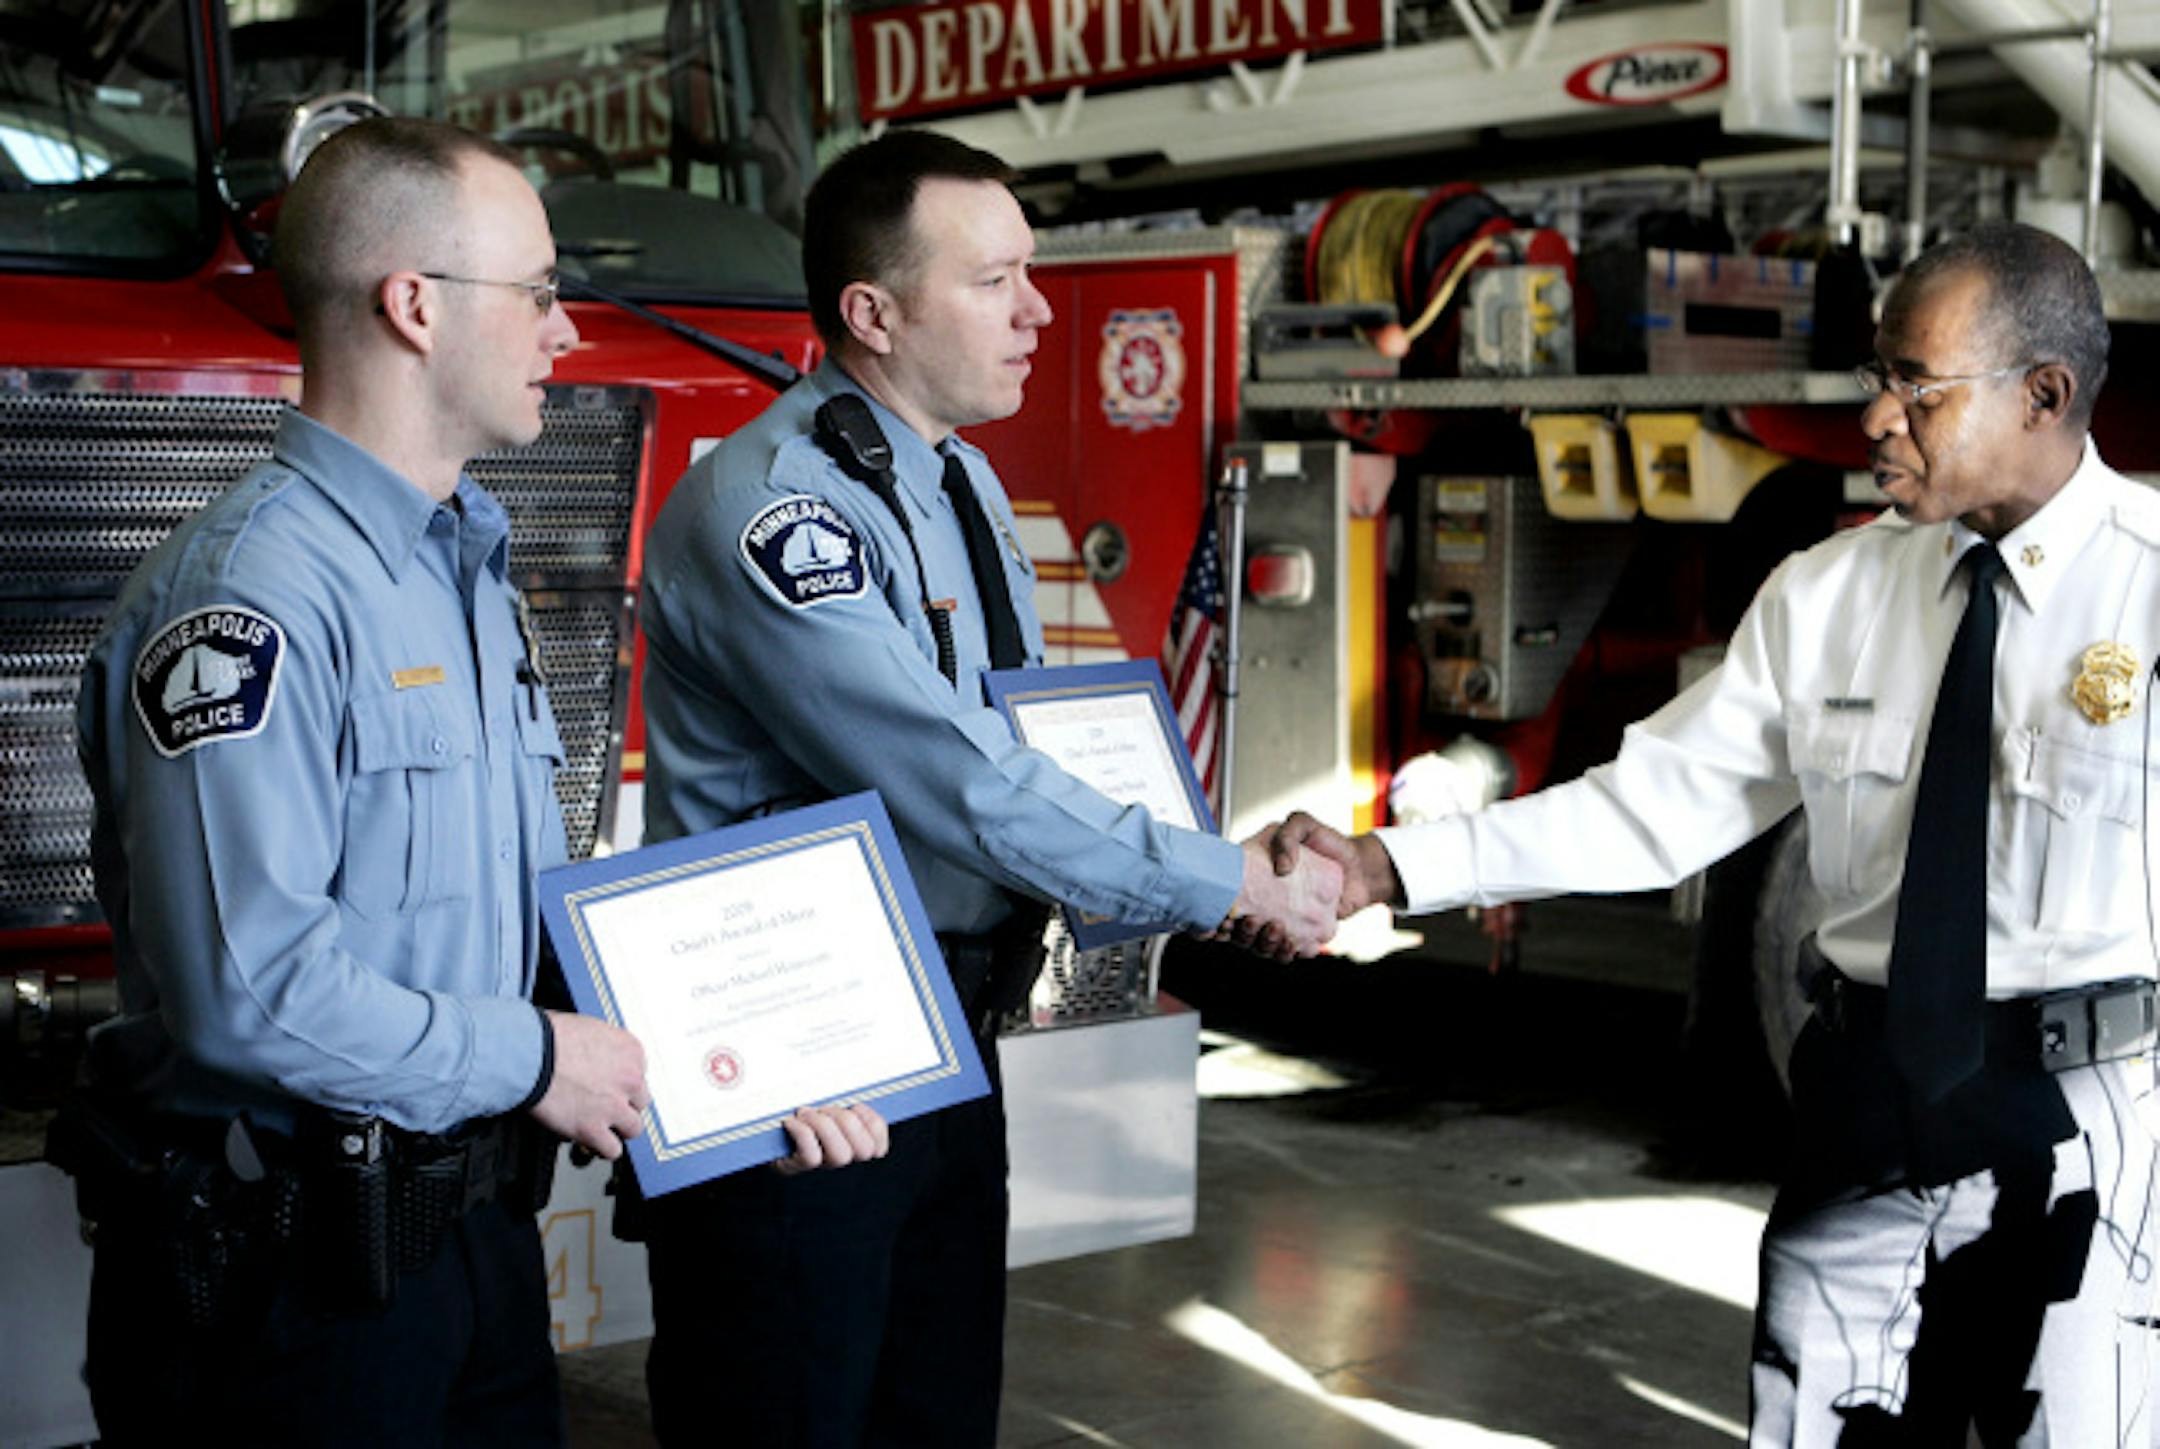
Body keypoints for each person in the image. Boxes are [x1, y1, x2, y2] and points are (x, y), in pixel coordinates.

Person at [1267, 221, 2159, 1443]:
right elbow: (1652, 809)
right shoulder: (1830, 594)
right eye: (1876, 379)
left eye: (1918, 385)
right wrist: (1389, 863)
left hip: (2088, 1119)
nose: (1878, 419)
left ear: (2046, 394)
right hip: (1864, 1100)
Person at [61, 117, 879, 1447]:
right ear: (415, 306)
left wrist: (741, 1062)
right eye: (544, 291)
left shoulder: (462, 571)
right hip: (290, 1296)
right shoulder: (246, 602)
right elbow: (250, 995)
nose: (567, 332)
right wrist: (545, 1054)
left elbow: (504, 928)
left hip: (471, 1250)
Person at [635, 128, 1340, 1447]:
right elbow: (956, 780)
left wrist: (1200, 850)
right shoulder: (778, 510)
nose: (1036, 311)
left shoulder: (952, 477)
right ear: (874, 312)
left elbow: (1027, 745)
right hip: (807, 1073)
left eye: (1033, 273)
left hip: (949, 1045)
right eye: (996, 279)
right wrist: (1226, 880)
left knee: (935, 1414)